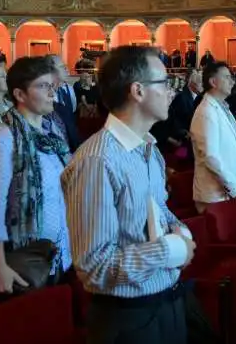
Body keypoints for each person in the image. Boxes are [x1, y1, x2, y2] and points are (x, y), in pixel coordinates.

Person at [61, 46, 194, 344]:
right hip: (129, 319)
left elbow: (159, 211)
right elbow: (95, 266)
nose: (171, 91)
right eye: (164, 83)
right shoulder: (97, 160)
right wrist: (171, 250)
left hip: (166, 301)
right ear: (138, 90)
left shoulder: (149, 149)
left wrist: (180, 232)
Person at [0, 57, 72, 294]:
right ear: (20, 94)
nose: (51, 93)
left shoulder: (53, 136)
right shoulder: (3, 140)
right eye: (42, 86)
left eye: (52, 86)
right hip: (23, 259)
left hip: (60, 254)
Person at [190, 62, 236, 212]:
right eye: (227, 77)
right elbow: (211, 157)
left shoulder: (221, 106)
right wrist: (235, 188)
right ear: (213, 82)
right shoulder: (206, 112)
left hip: (226, 192)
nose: (232, 81)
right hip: (214, 196)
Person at [46, 55, 80, 153]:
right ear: (50, 70)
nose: (66, 68)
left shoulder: (64, 92)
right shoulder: (45, 99)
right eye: (61, 66)